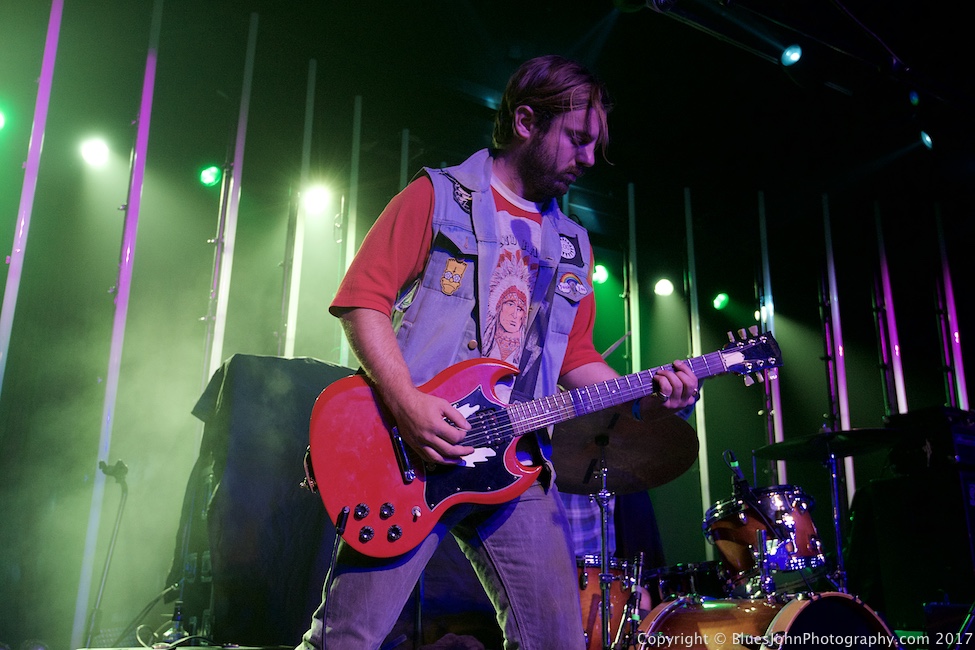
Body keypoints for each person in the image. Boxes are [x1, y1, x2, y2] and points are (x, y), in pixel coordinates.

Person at [298, 55, 699, 650]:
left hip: (515, 460)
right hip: (415, 453)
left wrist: (647, 392)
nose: (590, 158)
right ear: (526, 121)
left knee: (557, 641)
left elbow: (575, 357)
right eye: (579, 139)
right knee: (347, 639)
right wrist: (407, 404)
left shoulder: (572, 243)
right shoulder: (436, 196)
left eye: (595, 145)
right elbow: (363, 302)